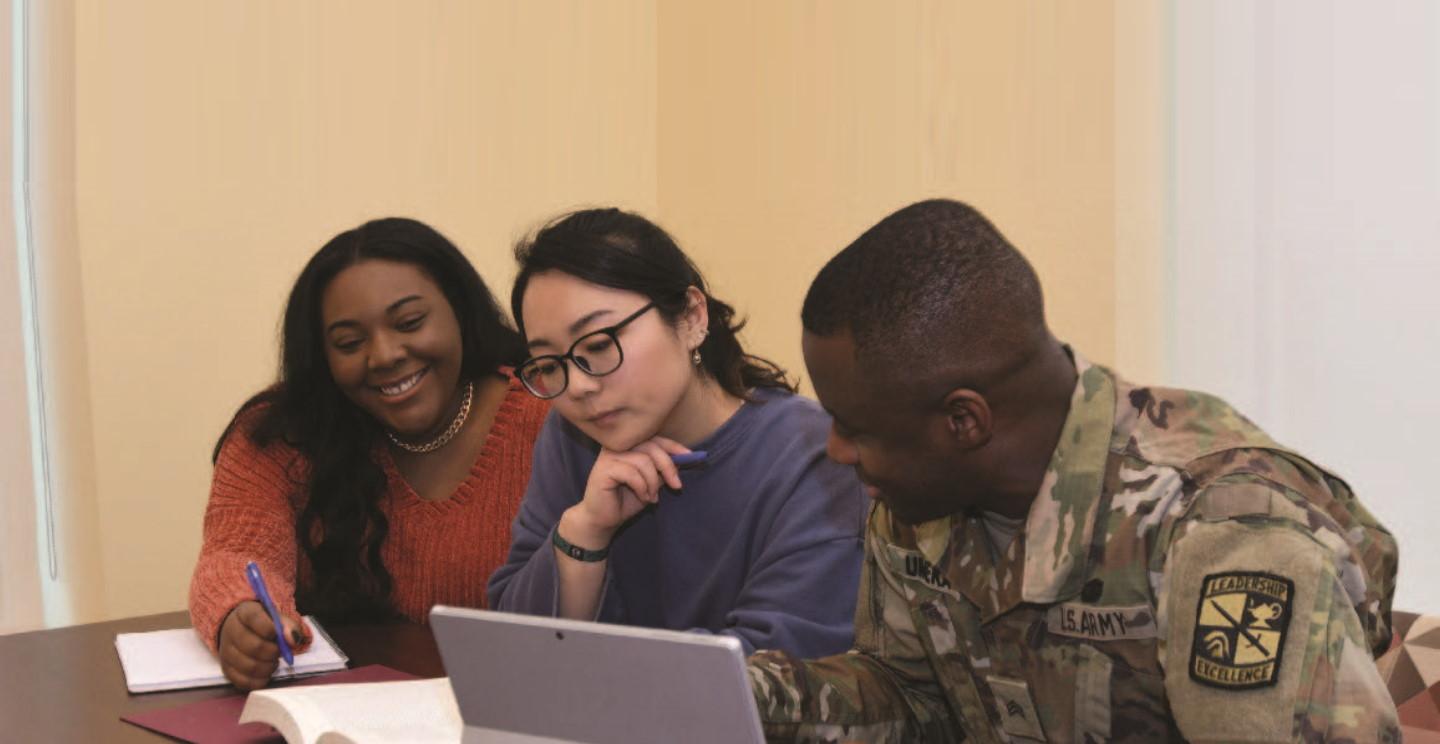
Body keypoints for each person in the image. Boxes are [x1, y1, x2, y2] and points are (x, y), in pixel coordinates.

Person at [748, 199, 1400, 742]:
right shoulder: (917, 500)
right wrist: (737, 699)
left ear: (963, 422)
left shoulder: (1222, 526)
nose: (835, 449)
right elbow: (911, 699)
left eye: (855, 429)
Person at [487, 208, 866, 658]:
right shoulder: (572, 436)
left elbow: (779, 673)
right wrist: (585, 529)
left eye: (599, 345)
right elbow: (511, 652)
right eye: (550, 365)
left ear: (691, 316)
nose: (580, 386)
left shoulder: (812, 453)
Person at [189, 217, 550, 690]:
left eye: (409, 323)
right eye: (349, 343)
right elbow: (237, 551)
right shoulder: (285, 436)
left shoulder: (551, 415)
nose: (383, 355)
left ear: (459, 311)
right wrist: (243, 612)